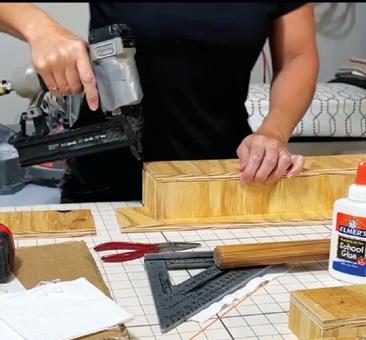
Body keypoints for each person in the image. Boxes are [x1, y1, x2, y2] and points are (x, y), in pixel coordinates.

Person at [0, 2, 319, 202]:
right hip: (106, 177)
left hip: (222, 175)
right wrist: (41, 29)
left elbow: (298, 57)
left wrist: (274, 131)